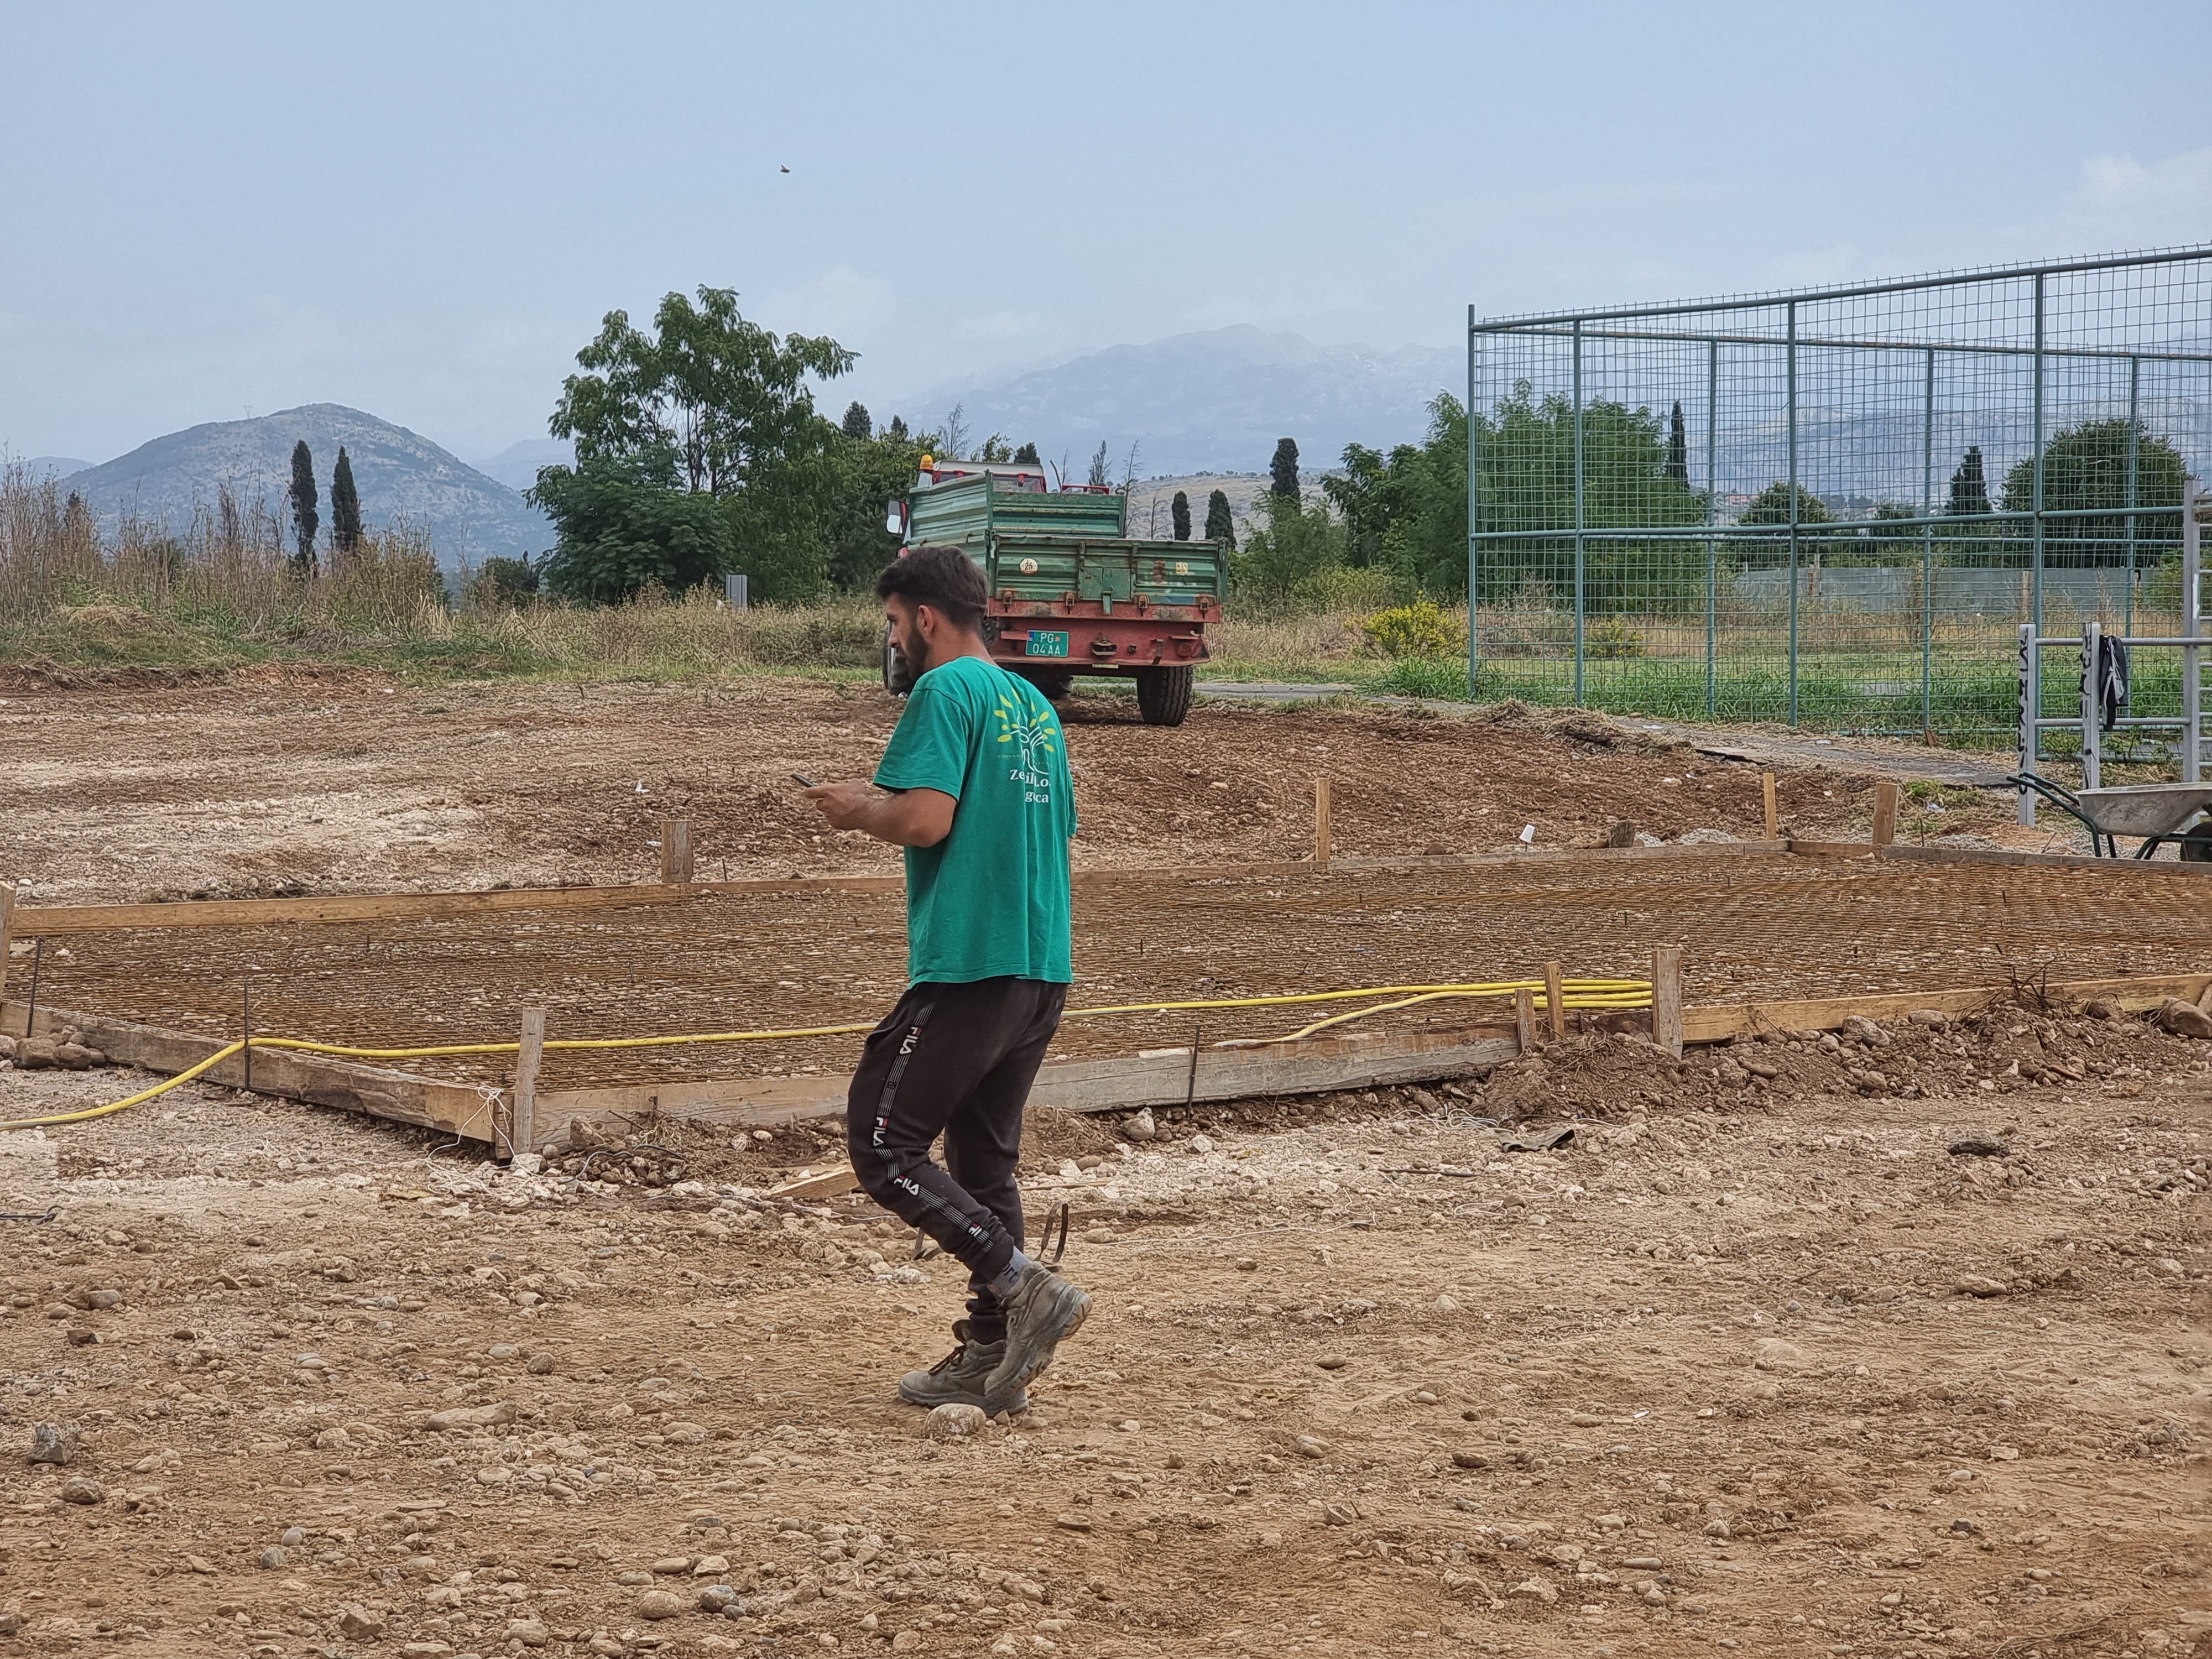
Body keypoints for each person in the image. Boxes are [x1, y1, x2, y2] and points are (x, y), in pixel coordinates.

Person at [802, 544, 1089, 1417]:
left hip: (972, 958)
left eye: (893, 623)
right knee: (982, 1157)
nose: (895, 639)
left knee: (884, 1141)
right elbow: (1054, 826)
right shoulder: (1033, 706)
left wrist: (860, 811)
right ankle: (993, 1355)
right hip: (1041, 964)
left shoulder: (944, 692)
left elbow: (926, 820)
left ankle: (1023, 1285)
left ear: (925, 617)